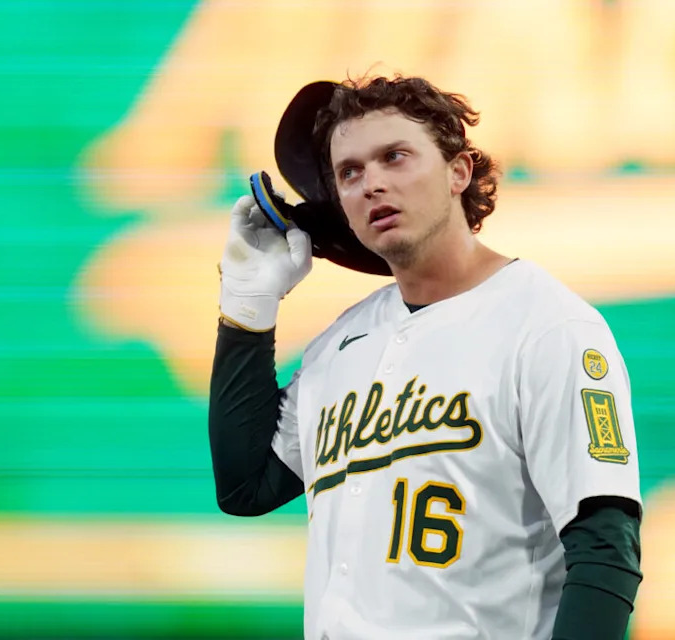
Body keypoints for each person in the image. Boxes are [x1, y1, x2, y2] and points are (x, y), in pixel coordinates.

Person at [208, 75, 642, 640]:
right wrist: (247, 307)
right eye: (351, 172)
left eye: (395, 157)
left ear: (459, 172)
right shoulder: (341, 345)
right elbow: (247, 487)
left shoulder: (549, 326)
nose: (372, 184)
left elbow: (606, 546)